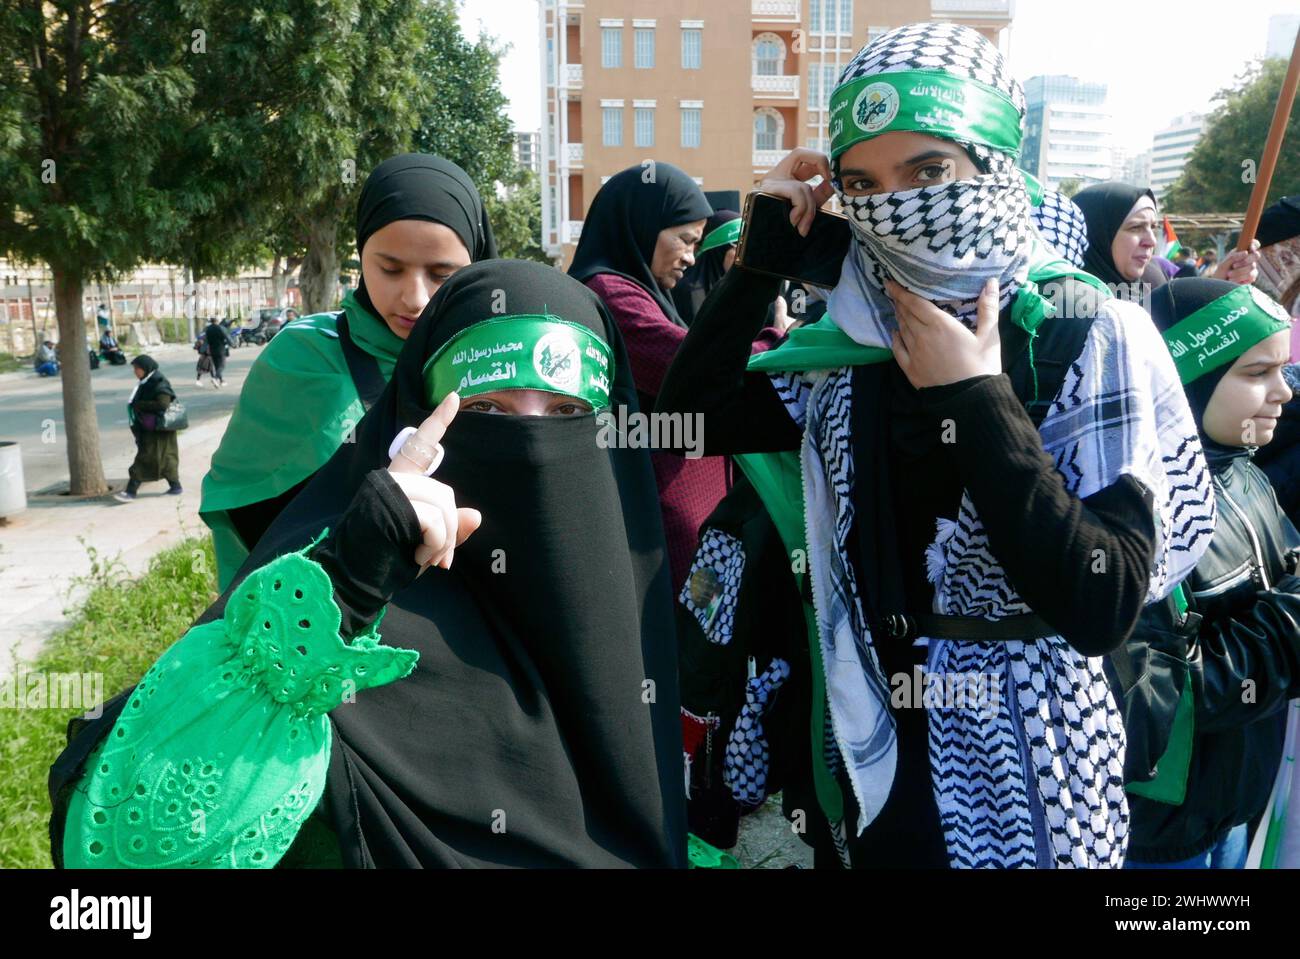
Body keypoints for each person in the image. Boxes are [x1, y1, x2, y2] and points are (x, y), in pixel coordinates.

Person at [657, 21, 1213, 868]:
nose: (899, 207)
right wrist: (762, 259)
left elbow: (1100, 602)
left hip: (1033, 760)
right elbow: (693, 420)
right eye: (861, 183)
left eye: (928, 172)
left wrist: (979, 400)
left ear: (993, 161)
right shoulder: (852, 340)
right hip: (871, 730)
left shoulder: (1083, 332)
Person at [51, 260, 688, 869]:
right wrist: (345, 584)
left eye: (568, 414)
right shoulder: (326, 634)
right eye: (486, 411)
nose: (531, 444)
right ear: (414, 417)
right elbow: (120, 847)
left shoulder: (633, 623)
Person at [200, 154, 496, 590]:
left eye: (441, 273)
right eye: (390, 268)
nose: (414, 298)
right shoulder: (303, 357)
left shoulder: (498, 360)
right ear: (361, 259)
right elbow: (252, 514)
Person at [1119, 278, 1300, 869]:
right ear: (1184, 380)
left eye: (1283, 369)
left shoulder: (1242, 468)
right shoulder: (1133, 513)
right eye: (1256, 374)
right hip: (1161, 836)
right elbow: (1159, 695)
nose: (1284, 393)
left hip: (1233, 805)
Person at [569, 165, 785, 590]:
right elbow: (690, 365)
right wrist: (776, 340)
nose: (691, 256)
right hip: (662, 513)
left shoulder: (643, 292)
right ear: (644, 226)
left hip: (682, 500)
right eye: (685, 239)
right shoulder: (608, 293)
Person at [1074, 182, 1261, 309]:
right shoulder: (1064, 305)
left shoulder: (1153, 280)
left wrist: (1223, 285)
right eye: (1136, 227)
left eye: (1153, 228)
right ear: (1098, 233)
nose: (1151, 241)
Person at [114, 355, 181, 501]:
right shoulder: (146, 382)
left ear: (145, 369)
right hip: (151, 428)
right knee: (165, 457)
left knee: (145, 457)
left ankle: (131, 491)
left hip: (158, 429)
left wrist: (140, 405)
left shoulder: (159, 383)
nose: (135, 372)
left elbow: (163, 404)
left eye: (137, 368)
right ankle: (175, 486)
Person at [671, 209, 741, 326]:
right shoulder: (691, 292)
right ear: (718, 251)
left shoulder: (738, 287)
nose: (745, 255)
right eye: (738, 246)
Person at [201, 315, 234, 388]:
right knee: (222, 365)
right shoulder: (221, 328)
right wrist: (232, 344)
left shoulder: (208, 329)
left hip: (212, 350)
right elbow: (227, 337)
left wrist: (202, 349)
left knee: (217, 366)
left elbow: (205, 340)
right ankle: (215, 378)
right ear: (217, 320)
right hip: (221, 349)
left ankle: (221, 381)